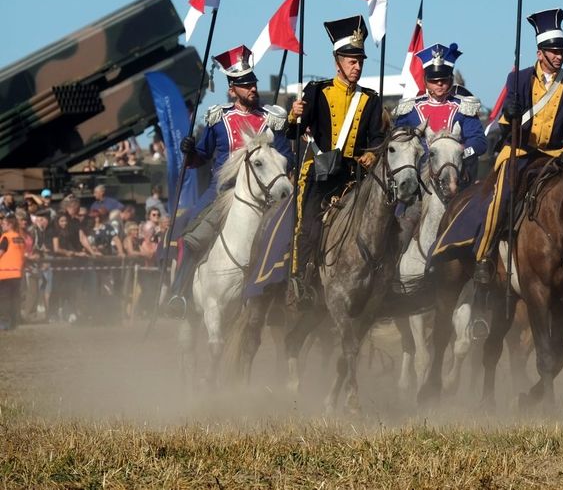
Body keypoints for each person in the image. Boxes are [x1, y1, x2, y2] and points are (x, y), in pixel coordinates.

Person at [431, 8, 563, 336]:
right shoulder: (518, 80)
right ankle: (485, 256)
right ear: (540, 53)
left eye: (562, 51)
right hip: (521, 155)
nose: (559, 56)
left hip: (555, 159)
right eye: (554, 51)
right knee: (502, 194)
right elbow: (505, 123)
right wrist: (514, 115)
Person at [169, 45, 293, 309]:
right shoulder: (218, 118)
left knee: (290, 237)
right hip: (222, 191)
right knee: (193, 235)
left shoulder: (271, 119)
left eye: (253, 82)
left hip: (265, 193)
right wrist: (190, 152)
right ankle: (178, 293)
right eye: (245, 84)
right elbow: (201, 157)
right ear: (232, 89)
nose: (252, 88)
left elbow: (286, 157)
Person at [288, 16, 389, 305]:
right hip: (321, 175)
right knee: (307, 226)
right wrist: (294, 114)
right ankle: (300, 281)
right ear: (337, 61)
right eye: (351, 61)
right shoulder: (317, 91)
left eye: (360, 61)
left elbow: (377, 138)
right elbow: (292, 133)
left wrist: (373, 152)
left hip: (355, 176)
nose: (357, 66)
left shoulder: (370, 100)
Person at [394, 43, 486, 185]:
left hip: (456, 175)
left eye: (443, 80)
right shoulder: (410, 109)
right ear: (426, 81)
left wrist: (462, 154)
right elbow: (398, 143)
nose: (439, 84)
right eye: (434, 81)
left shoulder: (464, 107)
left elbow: (479, 142)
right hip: (417, 180)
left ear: (451, 79)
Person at [0, 215, 27, 329]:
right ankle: (15, 321)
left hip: (5, 273)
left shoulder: (6, 237)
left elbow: (0, 252)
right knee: (15, 298)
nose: (2, 225)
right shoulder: (19, 237)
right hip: (17, 273)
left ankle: (4, 322)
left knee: (4, 299)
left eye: (4, 223)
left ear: (10, 225)